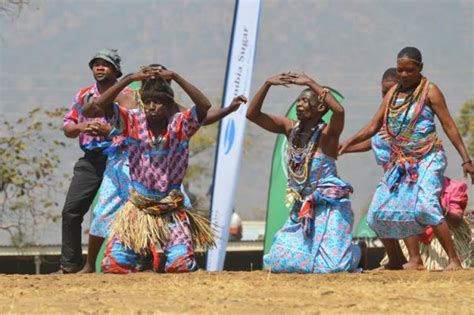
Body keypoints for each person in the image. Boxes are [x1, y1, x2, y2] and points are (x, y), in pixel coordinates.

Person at [79, 63, 246, 273]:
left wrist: (176, 76)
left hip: (171, 208)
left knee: (180, 265)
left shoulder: (181, 124)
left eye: (157, 102)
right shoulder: (131, 121)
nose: (151, 106)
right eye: (147, 102)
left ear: (168, 105)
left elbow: (204, 106)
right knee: (113, 264)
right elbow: (99, 107)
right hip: (138, 208)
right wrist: (129, 79)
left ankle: (173, 257)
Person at [339, 47, 473, 271]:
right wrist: (349, 141)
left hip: (429, 157)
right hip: (402, 163)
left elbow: (448, 124)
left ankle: (454, 261)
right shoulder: (393, 94)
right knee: (377, 213)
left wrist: (466, 159)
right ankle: (396, 260)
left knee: (426, 205)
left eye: (408, 70)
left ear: (420, 68)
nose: (403, 75)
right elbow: (373, 126)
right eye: (400, 70)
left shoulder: (430, 91)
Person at [247, 71, 362, 273]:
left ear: (320, 107)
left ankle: (357, 251)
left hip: (329, 207)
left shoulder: (328, 134)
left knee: (333, 267)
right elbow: (252, 115)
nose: (299, 105)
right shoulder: (289, 128)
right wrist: (267, 84)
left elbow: (339, 111)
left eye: (305, 101)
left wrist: (310, 82)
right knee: (277, 262)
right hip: (302, 208)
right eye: (298, 100)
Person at [57, 49, 131, 274]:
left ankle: (132, 261)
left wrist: (110, 131)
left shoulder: (126, 95)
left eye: (105, 64)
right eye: (95, 64)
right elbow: (68, 127)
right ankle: (70, 265)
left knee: (128, 211)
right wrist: (82, 126)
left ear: (116, 70)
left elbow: (134, 127)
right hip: (91, 160)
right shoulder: (83, 95)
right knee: (71, 210)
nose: (99, 68)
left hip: (119, 158)